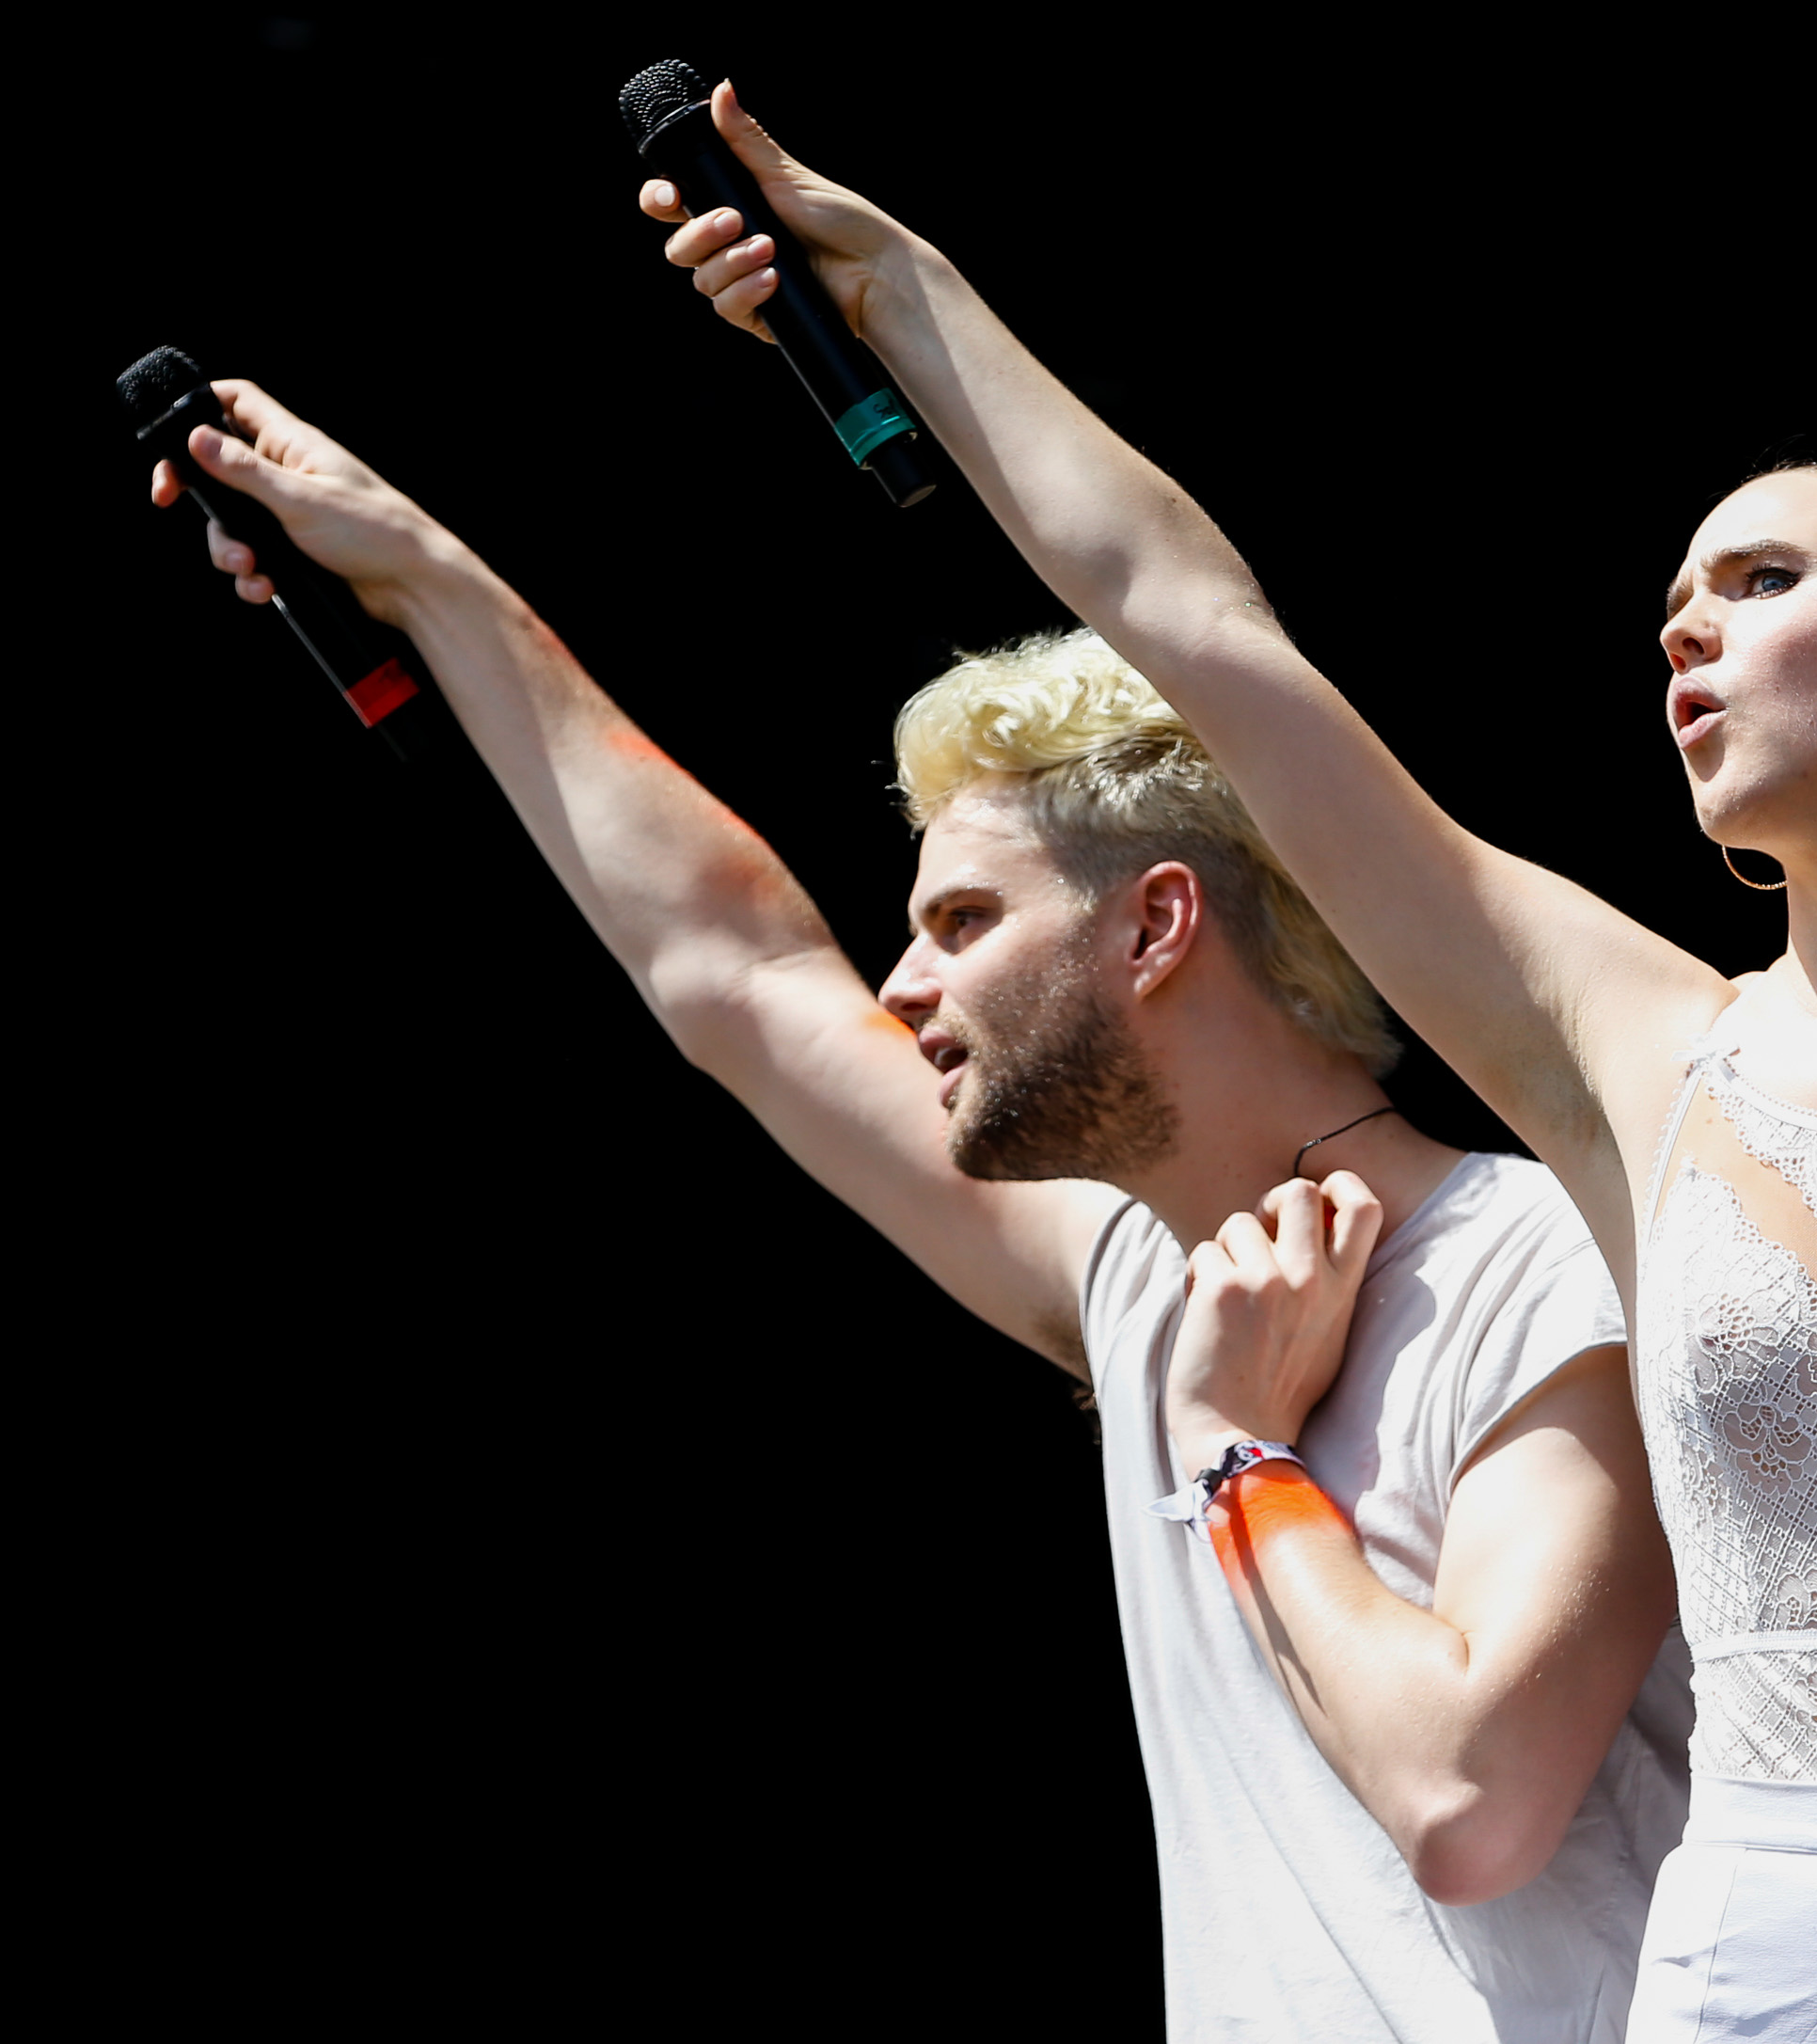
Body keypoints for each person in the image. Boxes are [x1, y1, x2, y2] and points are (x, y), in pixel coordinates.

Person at [641, 84, 1817, 2040]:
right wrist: (901, 293)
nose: (1685, 637)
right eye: (1672, 612)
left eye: (1759, 583)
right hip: (1778, 1945)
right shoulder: (1635, 1041)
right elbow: (1200, 627)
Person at [149, 387, 1691, 2041]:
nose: (902, 985)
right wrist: (427, 576)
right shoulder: (1138, 1273)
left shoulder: (1543, 1265)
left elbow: (1471, 1802)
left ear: (1156, 924)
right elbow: (738, 970)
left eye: (961, 921)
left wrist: (1235, 1452)